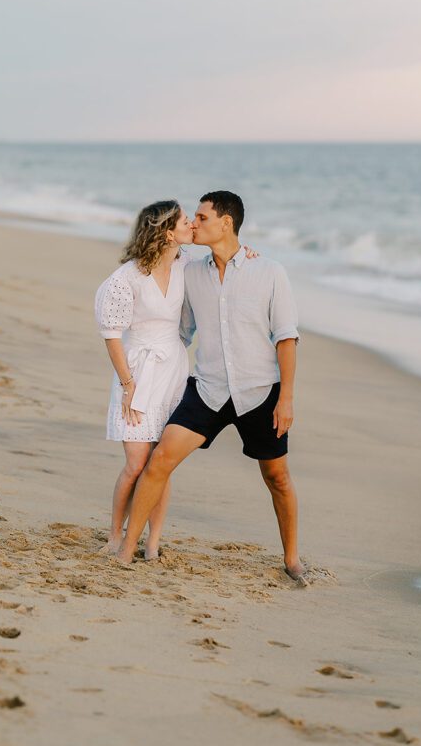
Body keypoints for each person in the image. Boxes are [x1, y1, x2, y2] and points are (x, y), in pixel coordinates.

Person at [116, 191, 307, 585]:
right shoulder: (191, 272)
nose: (194, 224)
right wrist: (136, 372)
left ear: (226, 223)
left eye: (201, 217)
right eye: (193, 218)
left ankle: (291, 559)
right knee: (160, 460)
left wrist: (286, 398)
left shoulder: (270, 271)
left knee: (277, 478)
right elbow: (178, 328)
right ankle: (126, 550)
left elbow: (286, 338)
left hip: (259, 393)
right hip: (207, 390)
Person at [94, 199, 255, 559]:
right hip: (136, 370)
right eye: (186, 220)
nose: (192, 225)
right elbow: (111, 334)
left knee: (160, 463)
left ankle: (152, 543)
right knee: (136, 464)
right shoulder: (127, 278)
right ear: (167, 232)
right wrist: (127, 384)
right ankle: (114, 536)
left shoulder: (188, 268)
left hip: (173, 371)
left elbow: (225, 265)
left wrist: (249, 255)